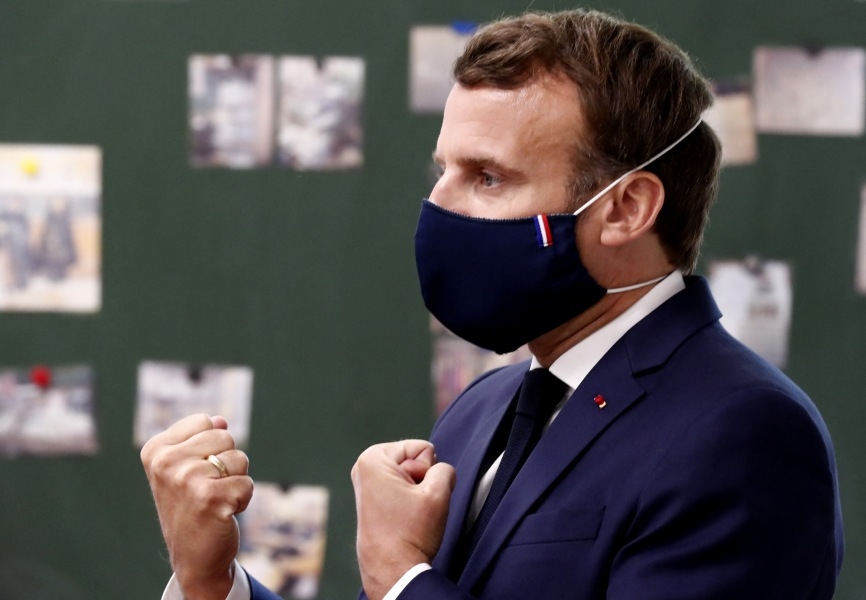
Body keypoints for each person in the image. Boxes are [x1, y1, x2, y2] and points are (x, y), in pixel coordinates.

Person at [140, 9, 844, 600]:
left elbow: (401, 585)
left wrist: (401, 578)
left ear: (627, 208)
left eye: (487, 177)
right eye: (442, 170)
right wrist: (210, 581)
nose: (438, 205)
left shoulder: (744, 432)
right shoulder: (485, 406)